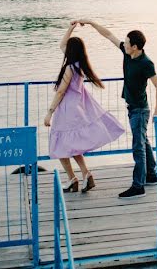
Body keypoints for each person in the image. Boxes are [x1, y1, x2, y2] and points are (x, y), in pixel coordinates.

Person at [78, 19, 157, 199]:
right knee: (143, 140)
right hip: (132, 108)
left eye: (127, 42)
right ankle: (152, 174)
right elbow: (109, 35)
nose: (123, 44)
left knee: (138, 147)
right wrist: (91, 23)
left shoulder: (146, 63)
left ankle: (138, 186)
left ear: (135, 46)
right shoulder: (127, 54)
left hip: (140, 110)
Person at [44, 21, 125, 193]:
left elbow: (60, 92)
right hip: (77, 108)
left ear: (70, 51)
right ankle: (85, 175)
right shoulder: (79, 65)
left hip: (66, 111)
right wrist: (71, 28)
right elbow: (62, 44)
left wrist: (49, 113)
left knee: (59, 145)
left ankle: (73, 178)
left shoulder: (69, 68)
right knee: (71, 145)